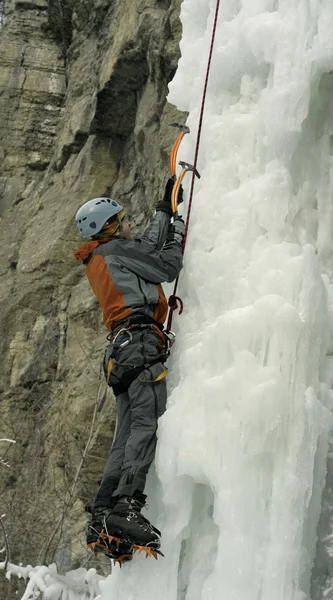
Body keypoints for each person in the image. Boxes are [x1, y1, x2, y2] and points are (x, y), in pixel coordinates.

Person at [74, 179, 184, 561]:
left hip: (121, 351)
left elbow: (143, 250)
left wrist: (164, 212)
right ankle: (125, 506)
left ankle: (102, 513)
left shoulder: (103, 256)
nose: (125, 225)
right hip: (139, 344)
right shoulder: (115, 250)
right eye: (120, 220)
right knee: (145, 424)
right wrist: (178, 230)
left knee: (125, 433)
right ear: (109, 226)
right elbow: (164, 264)